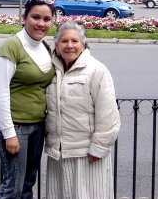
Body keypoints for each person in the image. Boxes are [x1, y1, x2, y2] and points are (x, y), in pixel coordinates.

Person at [45, 20, 121, 199]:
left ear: (83, 44)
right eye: (64, 41)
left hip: (87, 154)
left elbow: (108, 114)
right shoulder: (50, 70)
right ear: (56, 45)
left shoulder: (97, 70)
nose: (69, 46)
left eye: (74, 41)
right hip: (59, 154)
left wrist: (99, 148)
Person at [0, 0, 56, 198]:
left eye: (47, 19)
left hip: (37, 126)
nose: (41, 23)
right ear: (24, 17)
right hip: (16, 126)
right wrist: (9, 134)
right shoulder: (12, 47)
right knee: (13, 187)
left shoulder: (44, 46)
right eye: (35, 17)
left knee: (28, 183)